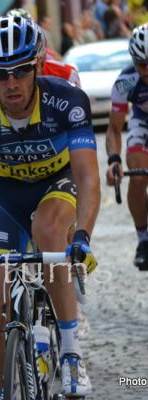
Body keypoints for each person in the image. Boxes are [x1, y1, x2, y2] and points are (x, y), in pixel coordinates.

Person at [0, 16, 99, 399]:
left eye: (21, 70)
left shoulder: (67, 100)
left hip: (58, 184)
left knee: (48, 232)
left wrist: (83, 236)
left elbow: (88, 178)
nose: (11, 83)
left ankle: (72, 352)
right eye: (0, 73)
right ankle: (4, 389)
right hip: (5, 193)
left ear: (38, 65)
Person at [106, 23, 148, 270]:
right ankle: (144, 240)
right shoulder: (125, 82)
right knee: (139, 175)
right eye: (143, 64)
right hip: (142, 124)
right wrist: (113, 160)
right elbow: (113, 128)